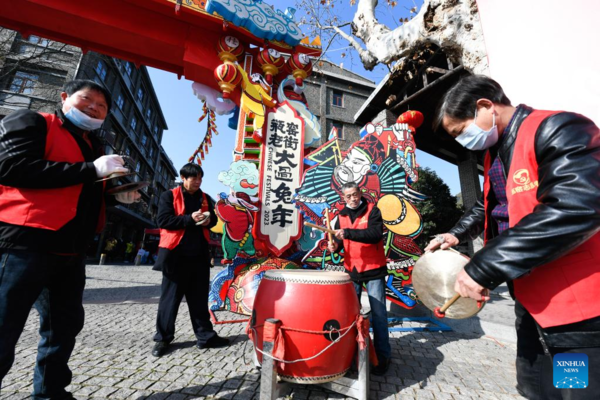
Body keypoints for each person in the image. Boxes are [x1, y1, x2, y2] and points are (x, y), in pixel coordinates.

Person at [426, 75, 600, 400]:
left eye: (460, 131)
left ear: (484, 107)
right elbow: (487, 206)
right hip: (530, 301)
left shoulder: (557, 129)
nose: (462, 141)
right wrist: (455, 234)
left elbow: (575, 207)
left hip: (574, 310)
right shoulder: (495, 153)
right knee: (536, 388)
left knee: (573, 391)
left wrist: (481, 269)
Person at [0, 79, 141, 399]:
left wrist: (119, 196)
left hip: (72, 251)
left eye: (101, 106)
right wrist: (91, 170)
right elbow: (10, 167)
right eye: (86, 100)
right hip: (25, 244)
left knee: (63, 327)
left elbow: (85, 194)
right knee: (4, 326)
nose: (94, 108)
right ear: (64, 97)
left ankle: (50, 392)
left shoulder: (95, 145)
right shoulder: (32, 121)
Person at [151, 163, 228, 357]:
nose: (198, 182)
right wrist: (189, 219)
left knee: (199, 300)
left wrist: (207, 220)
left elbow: (215, 222)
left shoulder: (204, 198)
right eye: (194, 178)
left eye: (200, 178)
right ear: (183, 178)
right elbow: (164, 221)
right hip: (175, 256)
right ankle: (162, 339)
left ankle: (206, 337)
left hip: (199, 257)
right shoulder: (168, 196)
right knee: (169, 301)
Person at [327, 181, 392, 376]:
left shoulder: (373, 210)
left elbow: (374, 235)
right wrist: (335, 247)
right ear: (343, 197)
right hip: (352, 271)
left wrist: (347, 233)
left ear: (360, 193)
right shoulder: (340, 216)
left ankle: (382, 357)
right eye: (348, 196)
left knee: (379, 315)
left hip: (374, 270)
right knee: (351, 316)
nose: (353, 199)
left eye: (355, 194)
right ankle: (353, 354)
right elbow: (339, 241)